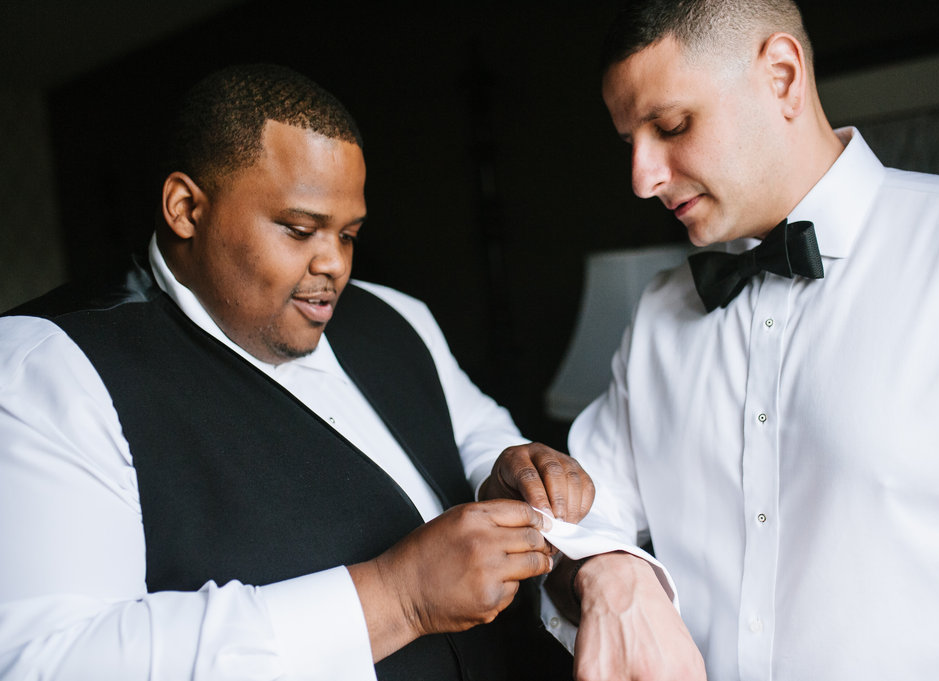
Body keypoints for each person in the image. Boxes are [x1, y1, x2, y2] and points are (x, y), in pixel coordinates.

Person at [486, 1, 939, 679]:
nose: (642, 178)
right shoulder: (658, 315)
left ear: (781, 76)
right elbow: (578, 520)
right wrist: (610, 570)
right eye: (631, 142)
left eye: (672, 125)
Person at [0, 64, 591, 680]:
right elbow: (51, 659)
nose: (334, 264)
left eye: (350, 234)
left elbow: (474, 430)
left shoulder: (396, 315)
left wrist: (508, 470)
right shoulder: (47, 366)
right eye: (300, 229)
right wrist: (395, 597)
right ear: (185, 208)